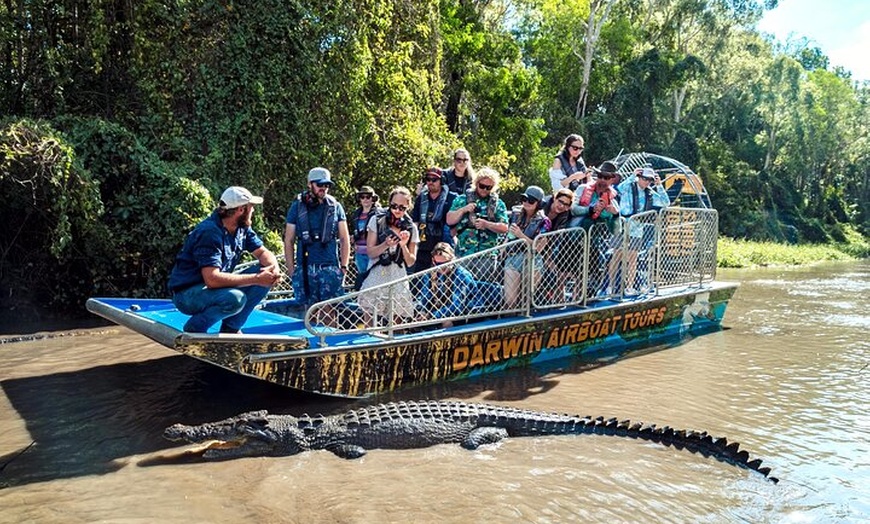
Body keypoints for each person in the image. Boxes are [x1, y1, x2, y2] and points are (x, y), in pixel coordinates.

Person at [168, 186, 282, 334]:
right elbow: (212, 279)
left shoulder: (242, 228)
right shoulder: (209, 232)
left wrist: (274, 268)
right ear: (241, 210)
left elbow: (262, 252)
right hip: (187, 294)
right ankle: (194, 329)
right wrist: (256, 279)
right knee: (236, 298)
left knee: (265, 274)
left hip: (213, 289)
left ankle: (231, 329)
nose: (253, 211)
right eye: (251, 207)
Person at [283, 168, 351, 322]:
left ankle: (331, 343)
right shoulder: (297, 207)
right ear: (310, 184)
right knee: (310, 313)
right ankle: (312, 344)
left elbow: (345, 238)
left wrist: (344, 267)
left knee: (330, 311)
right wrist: (291, 269)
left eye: (326, 185)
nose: (324, 188)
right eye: (320, 185)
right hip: (306, 266)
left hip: (329, 266)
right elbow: (289, 240)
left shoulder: (336, 207)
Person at [358, 186, 419, 326]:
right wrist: (385, 244)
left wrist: (403, 245)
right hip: (377, 271)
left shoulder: (411, 227)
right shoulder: (377, 220)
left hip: (397, 273)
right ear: (389, 203)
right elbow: (371, 252)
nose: (397, 210)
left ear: (408, 207)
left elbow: (410, 262)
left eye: (402, 208)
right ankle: (369, 342)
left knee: (396, 320)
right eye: (394, 206)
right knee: (370, 317)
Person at [608, 166, 670, 295]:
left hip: (637, 228)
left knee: (633, 257)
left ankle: (629, 287)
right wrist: (632, 176)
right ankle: (610, 286)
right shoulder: (629, 187)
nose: (647, 182)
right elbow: (618, 188)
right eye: (644, 178)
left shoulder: (650, 192)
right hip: (622, 224)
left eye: (650, 180)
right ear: (639, 177)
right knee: (617, 254)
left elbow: (665, 202)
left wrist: (659, 185)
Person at [445, 167, 509, 281]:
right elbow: (449, 220)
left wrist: (487, 224)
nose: (484, 189)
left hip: (486, 255)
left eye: (488, 187)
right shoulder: (462, 200)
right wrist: (464, 209)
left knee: (482, 289)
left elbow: (504, 228)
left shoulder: (498, 204)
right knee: (463, 287)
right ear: (476, 183)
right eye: (482, 186)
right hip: (464, 252)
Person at [575, 161, 621, 297]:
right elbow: (573, 209)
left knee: (592, 276)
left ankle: (587, 298)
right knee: (566, 273)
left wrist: (615, 215)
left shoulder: (613, 199)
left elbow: (616, 230)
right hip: (575, 238)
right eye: (600, 176)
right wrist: (590, 209)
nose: (602, 180)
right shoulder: (583, 188)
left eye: (606, 177)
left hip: (595, 244)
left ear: (612, 179)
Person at [503, 186, 551, 308]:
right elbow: (508, 235)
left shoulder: (544, 221)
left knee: (525, 299)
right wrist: (504, 246)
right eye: (524, 199)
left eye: (531, 201)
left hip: (532, 260)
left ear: (539, 204)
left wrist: (520, 235)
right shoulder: (515, 214)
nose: (526, 203)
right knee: (510, 301)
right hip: (513, 258)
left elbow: (538, 248)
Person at [416, 243, 481, 328]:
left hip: (467, 313)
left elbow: (457, 307)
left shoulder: (462, 275)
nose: (442, 268)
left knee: (446, 323)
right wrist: (422, 311)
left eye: (445, 264)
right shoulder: (429, 274)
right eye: (438, 264)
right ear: (433, 261)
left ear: (452, 259)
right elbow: (424, 296)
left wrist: (431, 316)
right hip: (439, 311)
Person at [411, 167, 456, 272]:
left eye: (434, 180)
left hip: (443, 247)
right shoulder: (421, 198)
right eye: (428, 179)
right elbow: (415, 221)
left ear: (442, 181)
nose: (431, 182)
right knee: (419, 280)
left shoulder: (451, 198)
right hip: (423, 245)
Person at [350, 185, 381, 276]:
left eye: (368, 197)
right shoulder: (356, 214)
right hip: (359, 252)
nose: (365, 199)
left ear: (373, 199)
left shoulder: (378, 213)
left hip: (373, 252)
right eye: (362, 197)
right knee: (362, 277)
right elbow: (355, 231)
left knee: (374, 278)